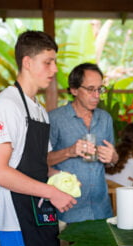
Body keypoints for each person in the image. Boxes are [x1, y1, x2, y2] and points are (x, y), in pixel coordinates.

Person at [0, 30, 77, 246]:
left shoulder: (38, 109)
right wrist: (52, 193)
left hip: (40, 214)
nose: (55, 69)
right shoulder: (5, 106)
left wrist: (61, 180)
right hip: (16, 216)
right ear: (27, 62)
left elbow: (39, 165)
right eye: (48, 61)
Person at [47, 63, 118, 223]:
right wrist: (69, 152)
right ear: (74, 90)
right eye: (90, 89)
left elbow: (112, 162)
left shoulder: (105, 118)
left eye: (100, 89)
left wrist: (112, 158)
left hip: (101, 210)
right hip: (67, 210)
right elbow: (39, 162)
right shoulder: (55, 119)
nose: (96, 95)